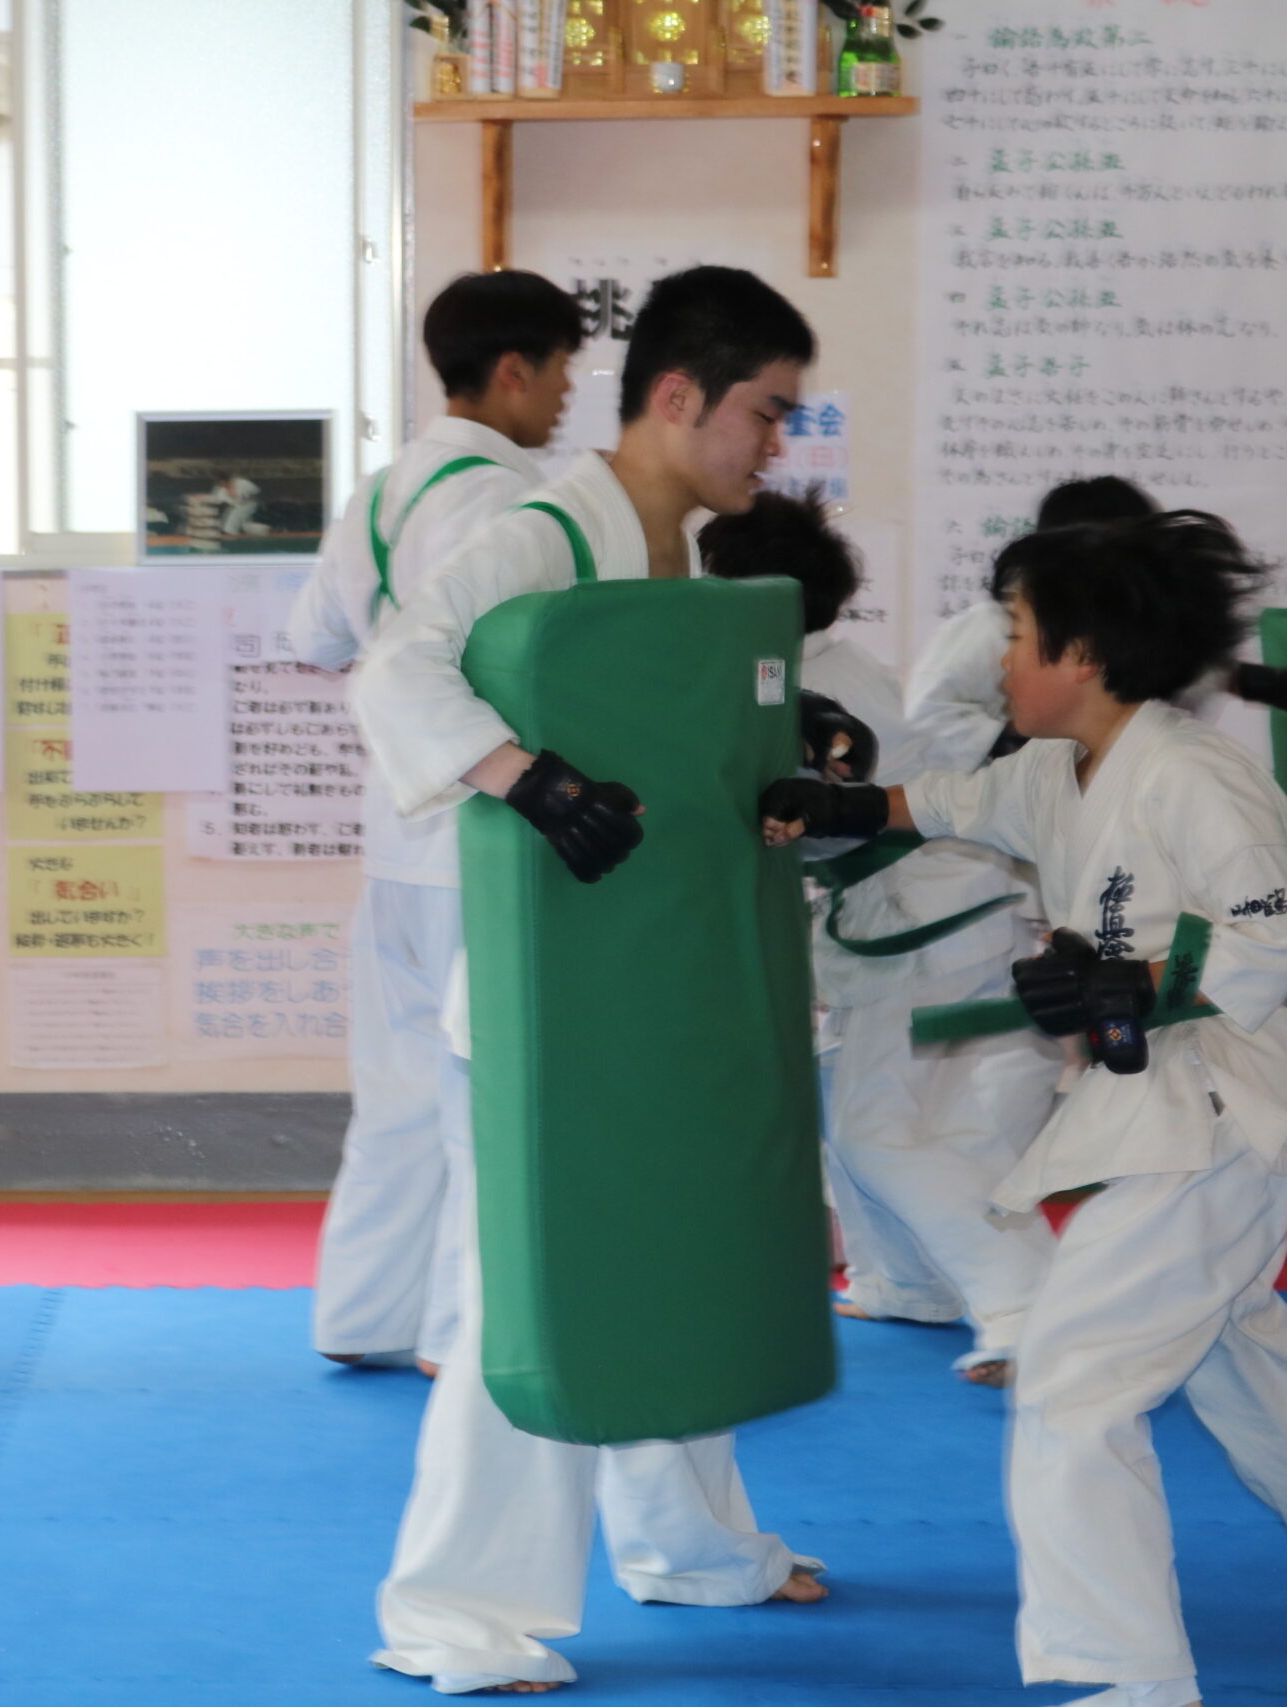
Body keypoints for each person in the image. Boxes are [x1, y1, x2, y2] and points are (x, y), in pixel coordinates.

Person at [352, 266, 827, 1695]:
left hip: (650, 980)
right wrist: (524, 774)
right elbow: (397, 668)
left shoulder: (684, 561)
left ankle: (690, 1546)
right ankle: (453, 1610)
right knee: (537, 1296)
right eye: (764, 412)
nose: (777, 443)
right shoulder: (540, 534)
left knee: (670, 1254)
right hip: (542, 1003)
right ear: (678, 396)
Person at [759, 510, 1287, 1707]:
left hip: (1220, 1122)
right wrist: (838, 806)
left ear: (1082, 654)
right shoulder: (1057, 769)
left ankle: (1131, 1676)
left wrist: (1130, 982)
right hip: (1166, 1122)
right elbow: (947, 802)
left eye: (1017, 632)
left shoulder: (1194, 776)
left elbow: (1274, 935)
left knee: (1070, 1381)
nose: (1000, 658)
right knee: (1233, 1360)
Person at [291, 269, 582, 1376]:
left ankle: (363, 1315)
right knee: (481, 1099)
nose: (566, 393)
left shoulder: (379, 493)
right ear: (512, 371)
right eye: (560, 370)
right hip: (479, 838)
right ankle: (460, 1337)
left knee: (399, 1096)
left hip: (393, 845)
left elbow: (313, 638)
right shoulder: (517, 503)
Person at [700, 491, 1059, 1386]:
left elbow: (813, 804)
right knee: (869, 1110)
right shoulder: (825, 663)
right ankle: (906, 1282)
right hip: (939, 909)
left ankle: (1026, 1308)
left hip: (924, 918)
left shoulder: (793, 685)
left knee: (875, 1133)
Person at [908, 476, 1158, 771]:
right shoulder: (992, 625)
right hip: (998, 784)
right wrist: (1016, 736)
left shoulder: (1142, 628)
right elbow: (924, 718)